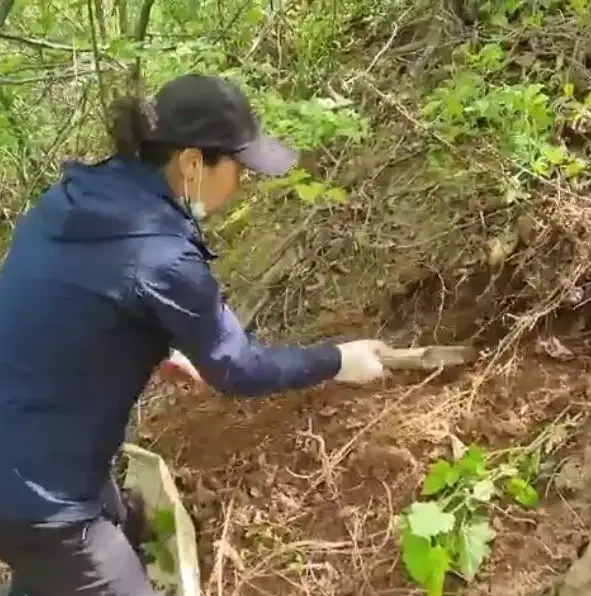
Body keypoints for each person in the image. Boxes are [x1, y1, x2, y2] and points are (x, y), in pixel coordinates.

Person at [0, 73, 391, 596]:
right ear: (191, 163)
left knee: (117, 526)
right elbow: (237, 368)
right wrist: (339, 360)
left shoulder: (75, 202)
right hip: (41, 499)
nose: (243, 183)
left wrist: (148, 346)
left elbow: (63, 308)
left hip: (28, 452)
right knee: (74, 556)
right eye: (237, 168)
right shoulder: (160, 256)